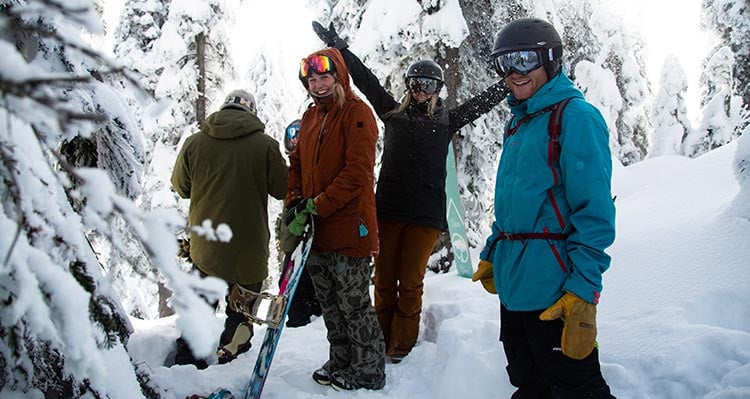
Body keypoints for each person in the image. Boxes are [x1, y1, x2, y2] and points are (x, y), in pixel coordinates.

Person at [312, 21, 508, 363]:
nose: (420, 90)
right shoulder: (392, 114)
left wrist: (510, 82)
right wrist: (339, 48)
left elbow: (481, 103)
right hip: (387, 211)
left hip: (425, 218)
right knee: (384, 282)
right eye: (415, 83)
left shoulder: (447, 121)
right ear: (408, 86)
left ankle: (401, 345)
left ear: (437, 89)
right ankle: (380, 341)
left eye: (428, 85)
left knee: (411, 283)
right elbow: (367, 80)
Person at [471, 18, 617, 398]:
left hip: (555, 288)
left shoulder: (575, 117)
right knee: (527, 381)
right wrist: (493, 251)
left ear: (550, 60)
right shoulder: (519, 123)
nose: (514, 73)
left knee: (575, 387)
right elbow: (512, 203)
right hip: (514, 283)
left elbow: (595, 214)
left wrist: (583, 290)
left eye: (524, 60)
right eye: (505, 63)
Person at [286, 48, 385, 391]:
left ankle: (369, 368)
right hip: (318, 232)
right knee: (330, 302)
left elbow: (358, 173)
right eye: (312, 80)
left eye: (324, 77)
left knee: (354, 303)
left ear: (338, 76)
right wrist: (296, 202)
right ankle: (342, 359)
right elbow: (296, 163)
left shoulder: (357, 114)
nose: (318, 85)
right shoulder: (311, 117)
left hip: (349, 228)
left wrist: (319, 205)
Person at [171, 89, 288, 368]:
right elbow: (282, 189)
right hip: (247, 252)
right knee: (240, 318)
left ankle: (186, 366)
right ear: (252, 112)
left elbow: (181, 187)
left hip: (205, 249)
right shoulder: (266, 146)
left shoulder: (194, 143)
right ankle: (231, 364)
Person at [276, 119, 322, 328]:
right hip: (294, 242)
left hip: (308, 241)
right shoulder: (291, 171)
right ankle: (299, 324)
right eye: (293, 136)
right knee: (294, 288)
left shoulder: (313, 167)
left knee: (304, 288)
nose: (296, 140)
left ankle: (303, 327)